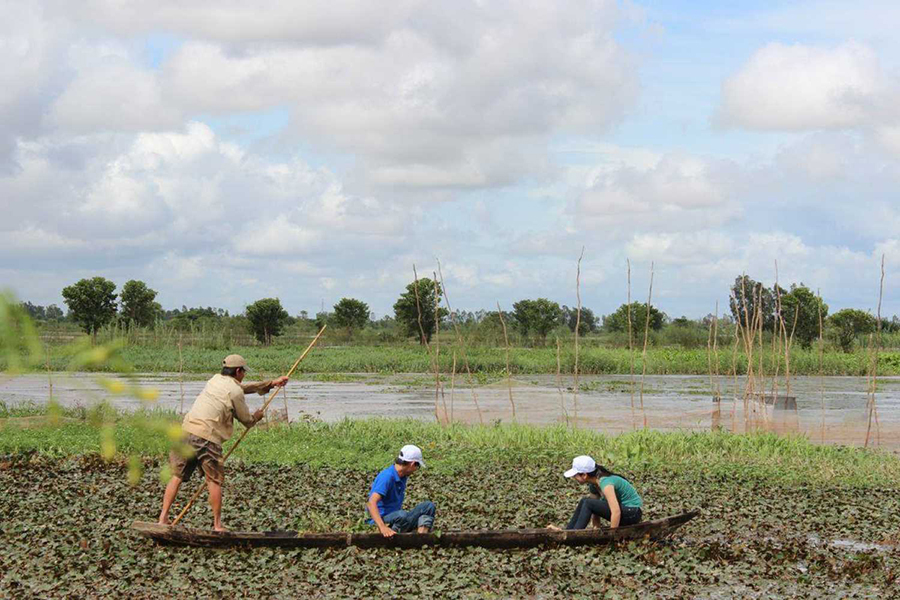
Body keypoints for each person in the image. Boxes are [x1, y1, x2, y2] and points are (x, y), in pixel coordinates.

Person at [158, 354, 288, 531]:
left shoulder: (215, 380)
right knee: (214, 480)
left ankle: (163, 518)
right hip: (206, 437)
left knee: (177, 475)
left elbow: (240, 388)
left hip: (187, 431)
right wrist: (257, 417)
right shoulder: (234, 391)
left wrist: (271, 383)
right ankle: (217, 525)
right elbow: (246, 419)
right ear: (238, 371)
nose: (244, 375)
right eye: (243, 372)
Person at [548, 455, 643, 531]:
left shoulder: (605, 483)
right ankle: (568, 531)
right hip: (625, 512)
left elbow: (616, 511)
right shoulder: (593, 484)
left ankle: (572, 533)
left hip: (633, 513)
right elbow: (595, 508)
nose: (574, 478)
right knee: (584, 501)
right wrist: (596, 527)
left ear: (584, 475)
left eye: (575, 475)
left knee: (587, 502)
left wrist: (612, 535)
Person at [366, 444, 435, 537]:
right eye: (417, 466)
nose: (416, 470)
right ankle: (394, 533)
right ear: (412, 463)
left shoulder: (403, 476)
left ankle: (421, 537)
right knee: (401, 515)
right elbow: (371, 502)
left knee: (428, 506)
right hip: (382, 520)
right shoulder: (387, 476)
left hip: (397, 519)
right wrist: (382, 527)